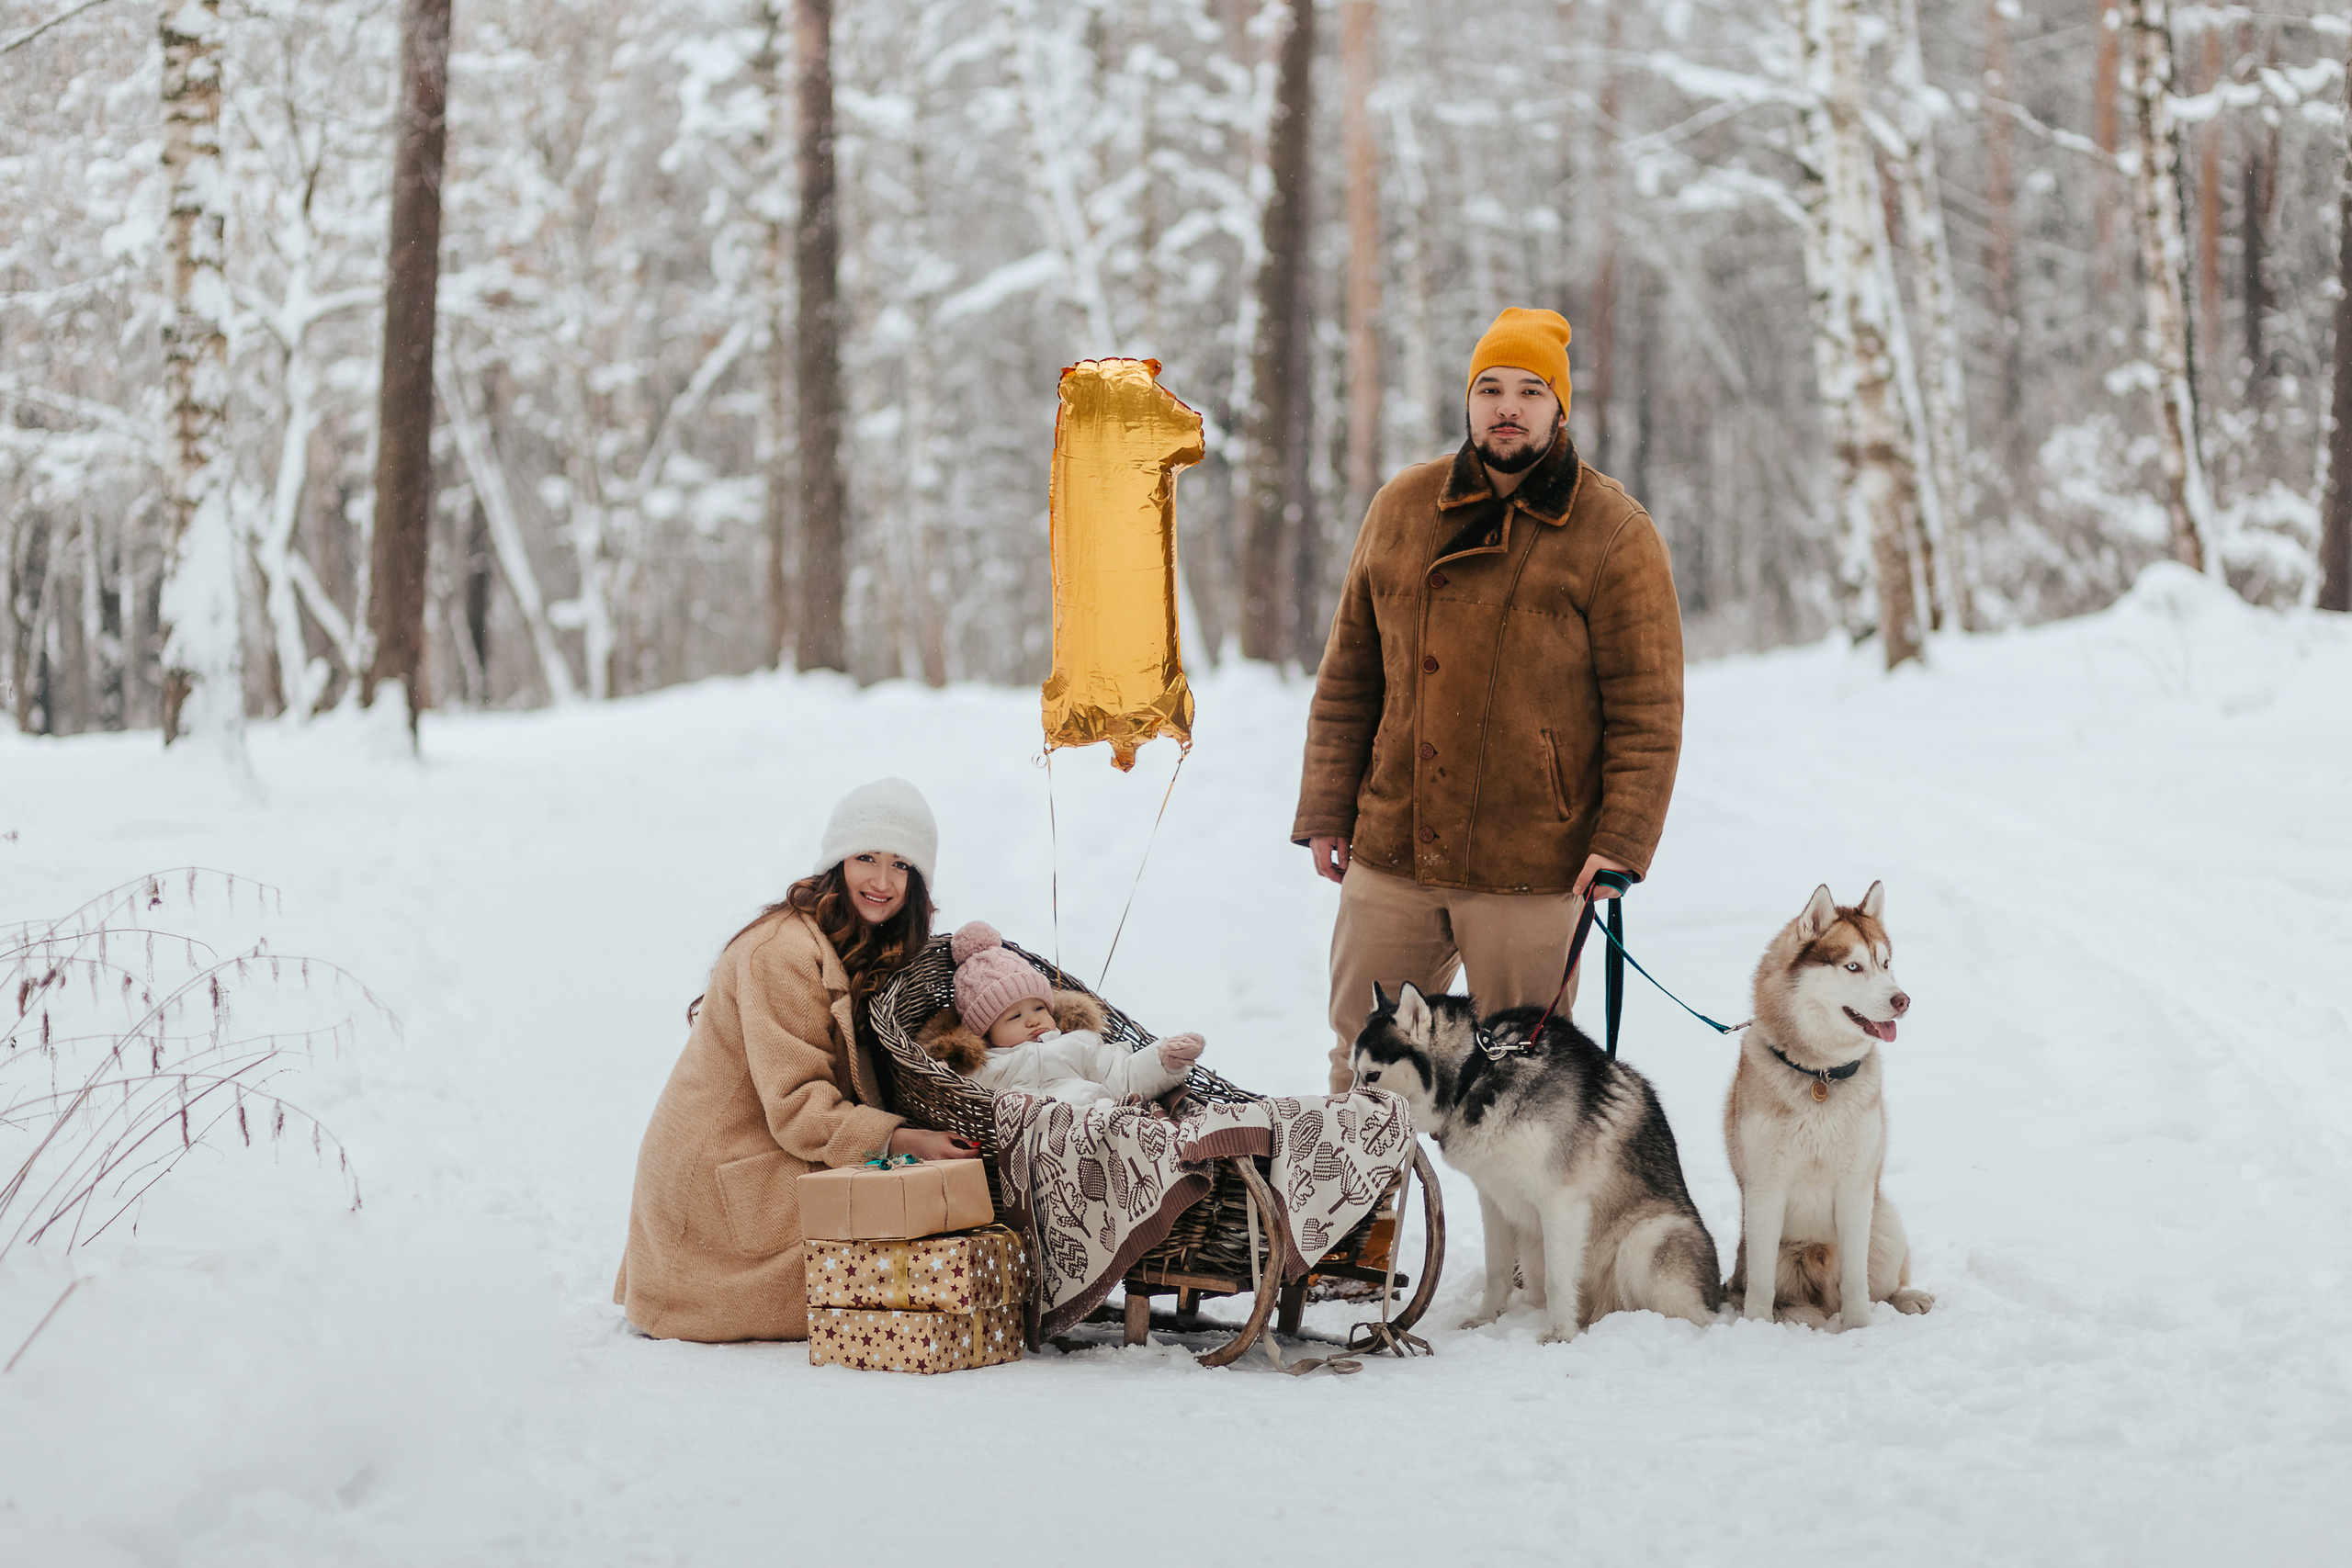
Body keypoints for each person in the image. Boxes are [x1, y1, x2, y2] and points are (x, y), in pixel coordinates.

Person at [1294, 306, 1685, 1095]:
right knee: (1363, 1068)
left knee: (1528, 1087)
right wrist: (1328, 806)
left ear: (1559, 407)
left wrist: (1622, 841)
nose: (1508, 407)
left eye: (1531, 390)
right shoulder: (1402, 506)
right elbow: (1350, 676)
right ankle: (1358, 1225)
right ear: (1469, 401)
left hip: (1533, 866)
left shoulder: (1612, 530)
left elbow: (1648, 709)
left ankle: (1529, 1229)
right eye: (1490, 388)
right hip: (1393, 848)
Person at [614, 777, 976, 1342]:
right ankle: (686, 1294)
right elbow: (800, 1109)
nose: (882, 881)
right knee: (913, 1244)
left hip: (775, 1156)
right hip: (722, 1190)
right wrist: (903, 1141)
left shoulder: (864, 942)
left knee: (938, 1220)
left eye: (901, 865)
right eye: (866, 858)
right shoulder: (779, 953)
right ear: (837, 862)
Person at [915, 920, 1204, 1106]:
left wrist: (1162, 1060)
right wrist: (942, 1074)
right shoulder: (988, 1065)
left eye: (1039, 1008)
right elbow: (960, 1094)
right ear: (986, 1034)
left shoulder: (1078, 1043)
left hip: (1098, 1120)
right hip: (1040, 1137)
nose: (1032, 1019)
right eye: (1014, 1017)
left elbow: (1122, 1074)